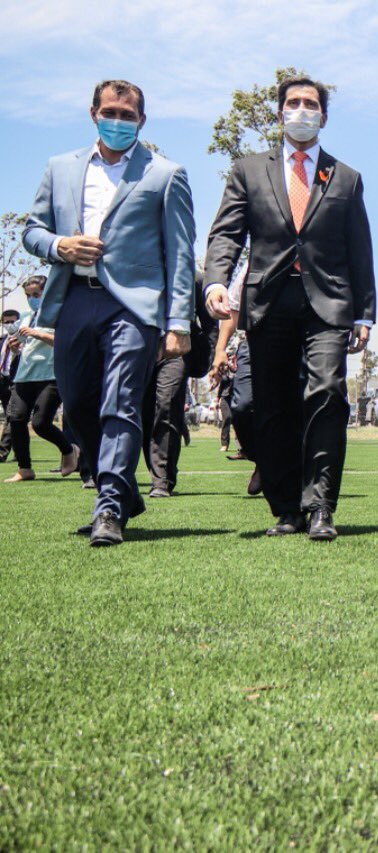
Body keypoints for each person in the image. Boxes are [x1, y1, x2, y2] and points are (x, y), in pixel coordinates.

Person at [23, 80, 195, 546]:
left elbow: (180, 254)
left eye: (128, 114)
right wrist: (60, 245)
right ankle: (120, 489)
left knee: (120, 401)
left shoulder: (165, 174)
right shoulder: (60, 168)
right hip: (75, 300)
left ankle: (110, 508)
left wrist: (178, 322)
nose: (118, 120)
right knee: (77, 406)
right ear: (93, 113)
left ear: (142, 120)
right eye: (110, 112)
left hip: (134, 305)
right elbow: (32, 230)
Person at [205, 76, 376, 541]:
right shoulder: (248, 170)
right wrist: (216, 282)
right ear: (280, 113)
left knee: (325, 395)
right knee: (271, 406)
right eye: (294, 103)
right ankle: (286, 508)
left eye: (311, 104)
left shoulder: (345, 177)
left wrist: (364, 312)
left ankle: (320, 506)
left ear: (324, 115)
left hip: (328, 303)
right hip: (268, 302)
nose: (303, 110)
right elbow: (226, 233)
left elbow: (360, 249)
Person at [142, 262, 217, 498]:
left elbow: (209, 322)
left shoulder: (193, 277)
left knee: (166, 407)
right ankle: (156, 471)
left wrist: (215, 357)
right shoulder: (135, 270)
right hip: (139, 349)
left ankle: (162, 479)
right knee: (144, 414)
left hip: (177, 350)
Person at [3, 276, 79, 483]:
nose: (32, 299)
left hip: (52, 375)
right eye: (29, 296)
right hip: (25, 375)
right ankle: (24, 469)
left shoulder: (63, 313)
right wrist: (14, 348)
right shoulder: (27, 317)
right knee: (16, 419)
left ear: (49, 291)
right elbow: (23, 346)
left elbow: (66, 341)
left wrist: (36, 334)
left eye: (36, 294)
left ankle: (69, 450)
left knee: (40, 423)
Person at [208, 264, 261, 496]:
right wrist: (220, 350)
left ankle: (283, 467)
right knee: (241, 407)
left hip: (295, 341)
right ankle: (264, 460)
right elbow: (233, 310)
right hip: (253, 341)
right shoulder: (253, 264)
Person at [0, 308, 21, 463]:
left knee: (12, 416)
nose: (9, 325)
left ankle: (2, 452)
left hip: (15, 381)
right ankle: (19, 450)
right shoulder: (1, 340)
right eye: (6, 322)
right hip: (1, 379)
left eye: (12, 322)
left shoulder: (25, 340)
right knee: (13, 418)